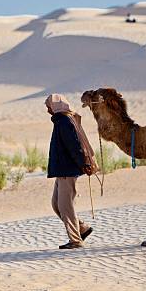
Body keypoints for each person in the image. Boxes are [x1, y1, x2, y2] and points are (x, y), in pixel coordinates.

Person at [45, 94, 98, 249]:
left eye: (49, 105)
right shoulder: (61, 121)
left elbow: (75, 146)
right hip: (62, 170)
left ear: (56, 106)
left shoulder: (65, 121)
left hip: (67, 171)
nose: (48, 109)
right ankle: (82, 228)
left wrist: (84, 164)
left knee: (66, 206)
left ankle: (75, 240)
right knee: (56, 204)